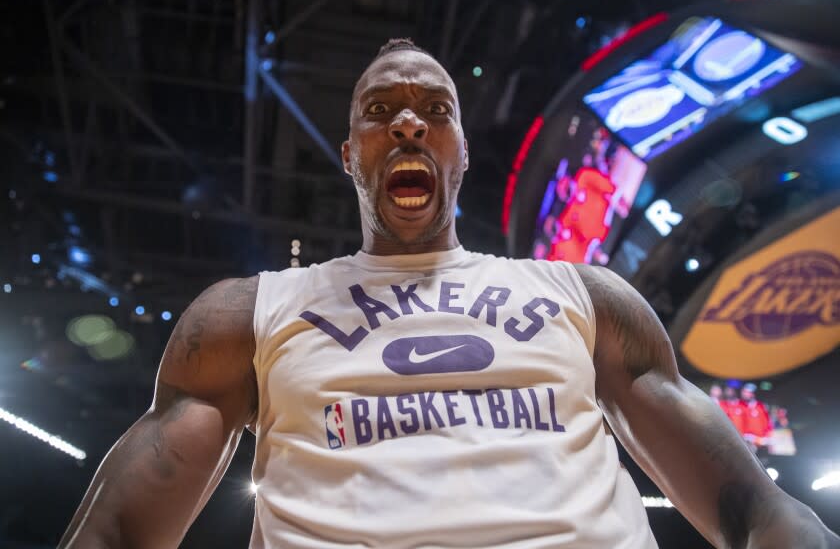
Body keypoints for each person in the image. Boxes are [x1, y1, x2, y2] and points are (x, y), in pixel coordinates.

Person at [59, 39, 839, 549]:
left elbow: (752, 507)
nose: (408, 124)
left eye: (436, 112)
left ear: (460, 150)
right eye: (380, 111)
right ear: (350, 153)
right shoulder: (245, 312)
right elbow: (119, 530)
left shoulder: (587, 295)